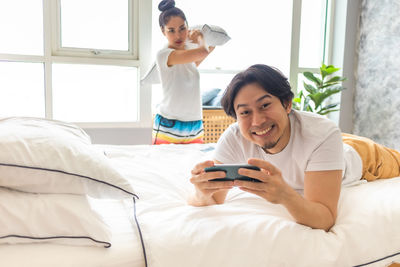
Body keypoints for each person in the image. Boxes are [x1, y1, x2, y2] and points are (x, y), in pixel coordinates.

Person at [188, 64, 400, 231]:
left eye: (265, 105)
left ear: (287, 103)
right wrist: (201, 192)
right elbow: (213, 198)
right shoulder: (234, 138)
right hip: (319, 143)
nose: (257, 121)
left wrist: (285, 195)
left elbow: (325, 218)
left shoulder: (323, 135)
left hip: (364, 157)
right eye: (245, 112)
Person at [152, 0, 215, 145]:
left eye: (182, 28)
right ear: (163, 31)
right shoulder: (164, 54)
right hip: (169, 123)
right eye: (171, 30)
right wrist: (199, 37)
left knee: (194, 167)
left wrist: (198, 40)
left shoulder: (187, 53)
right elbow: (203, 51)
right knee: (163, 165)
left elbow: (208, 50)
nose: (178, 35)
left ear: (187, 26)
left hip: (194, 123)